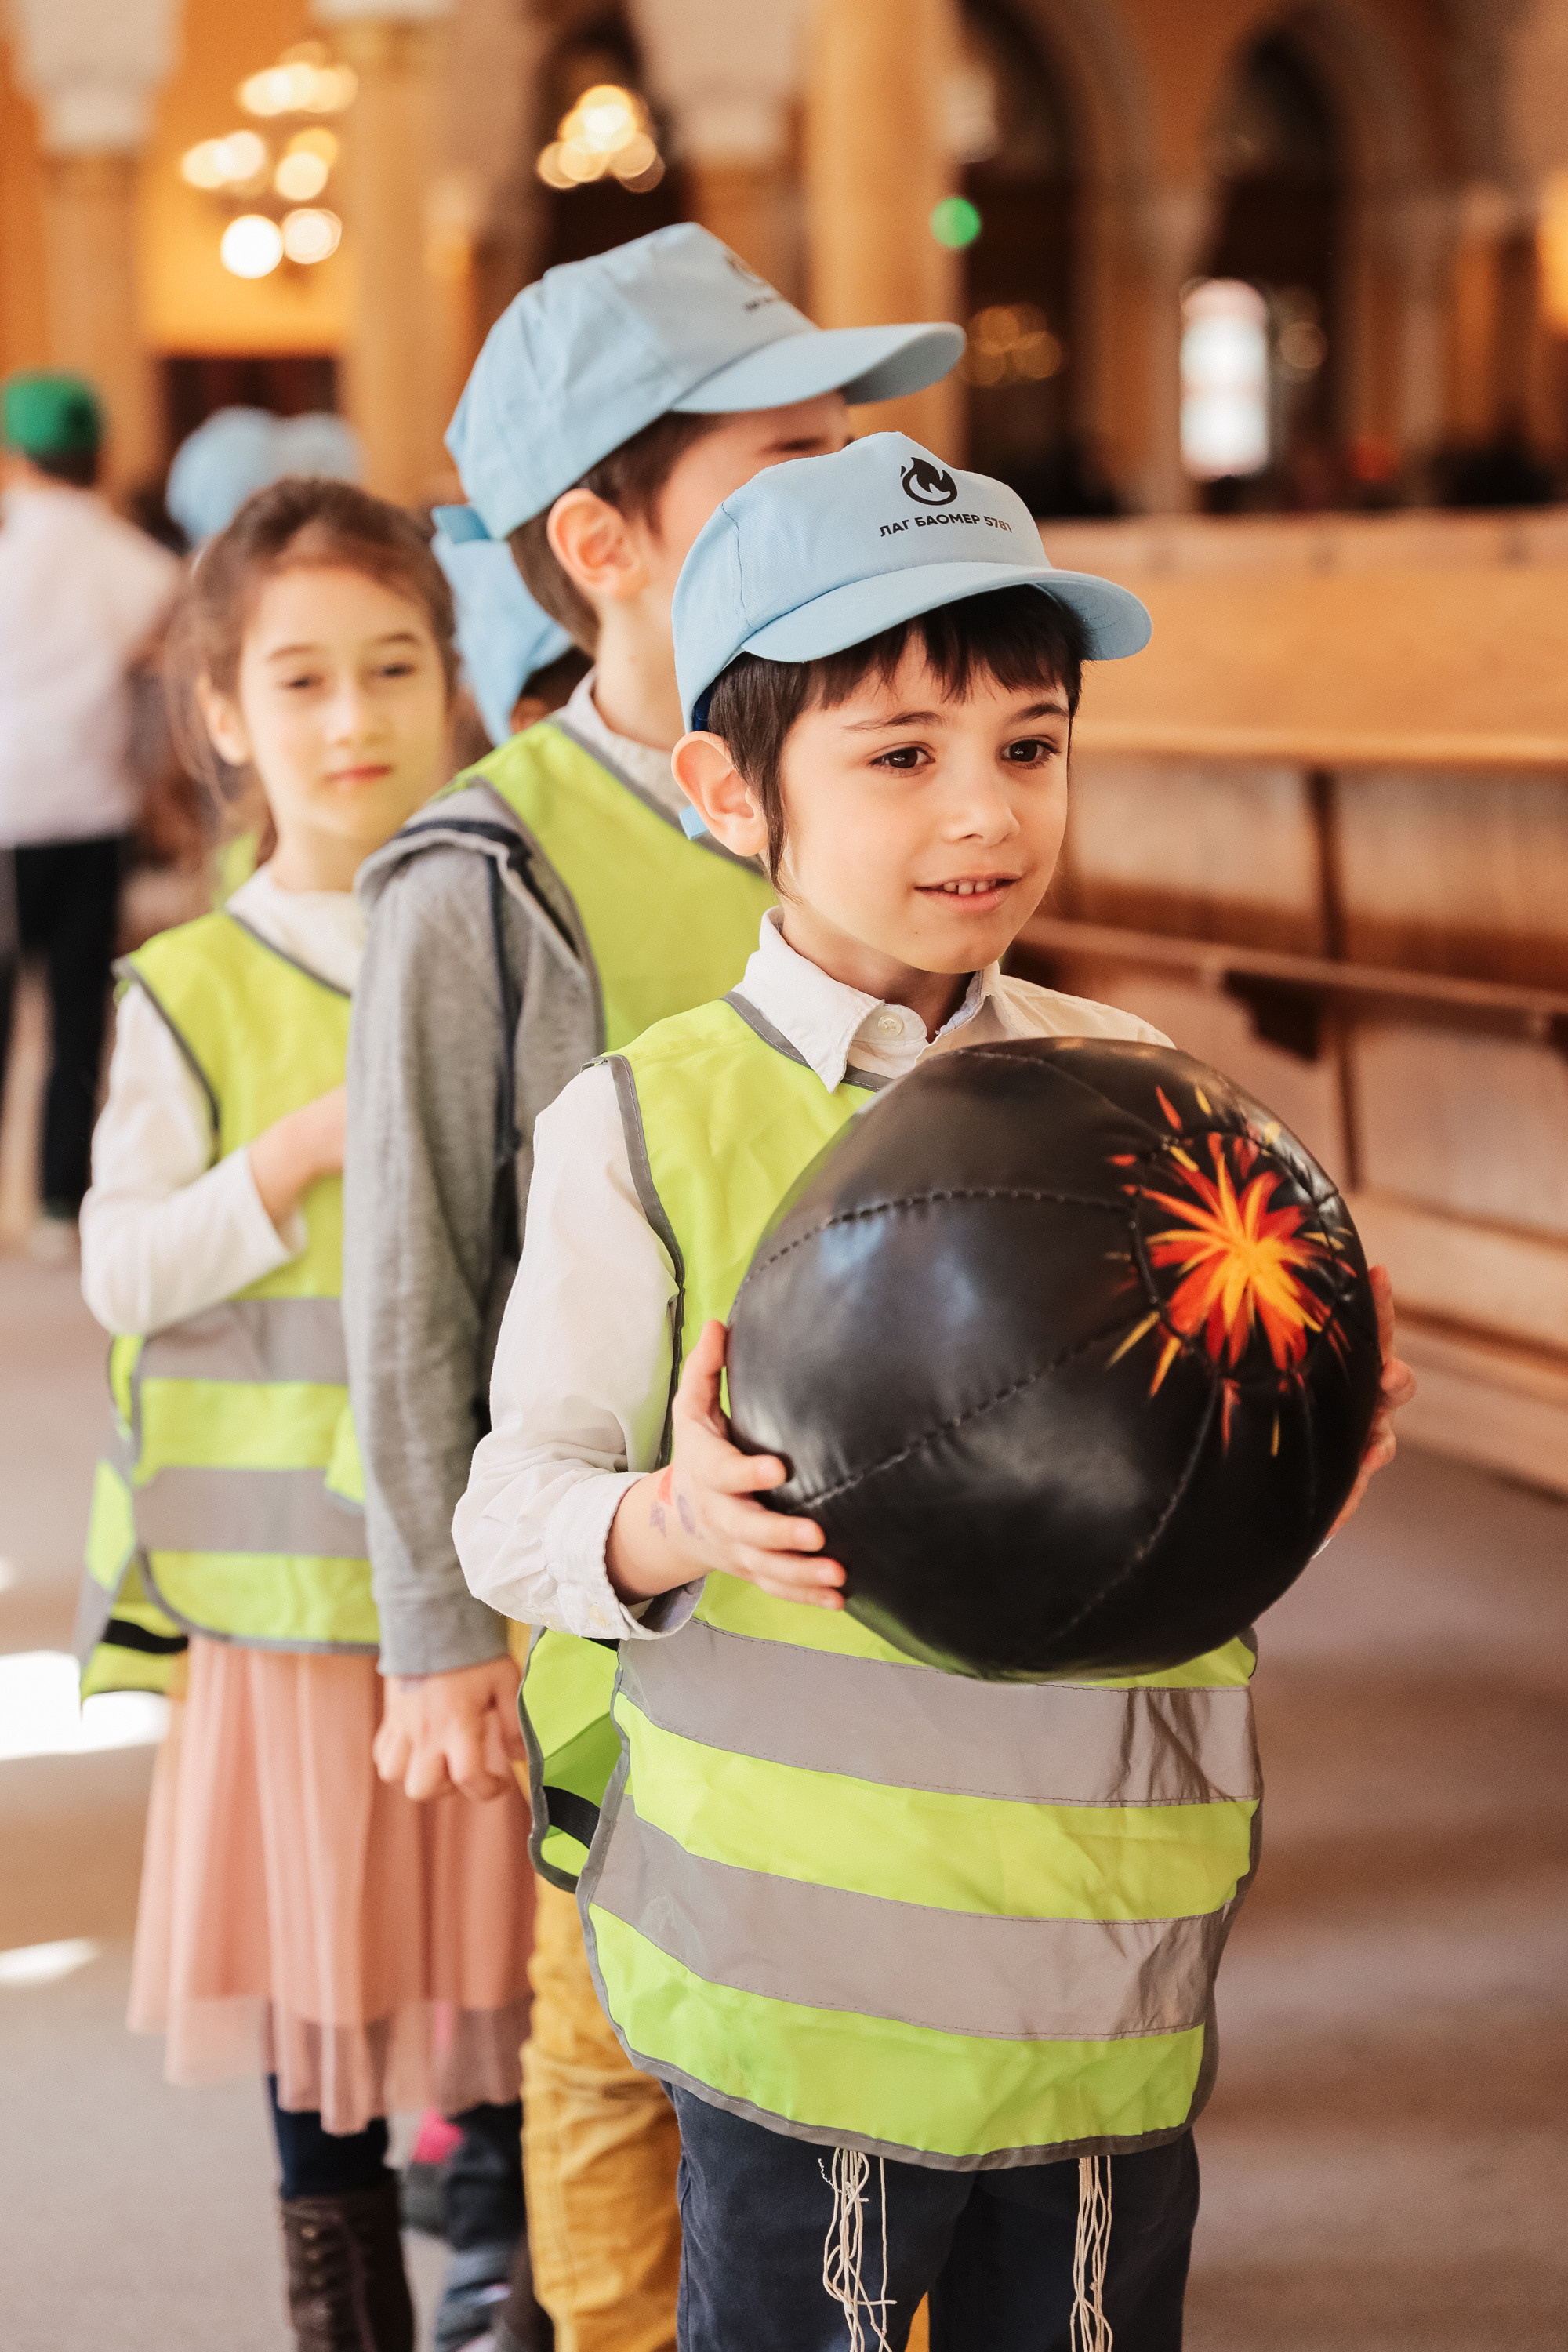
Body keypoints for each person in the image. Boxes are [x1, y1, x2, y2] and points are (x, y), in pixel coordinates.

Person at [452, 434, 1416, 2351]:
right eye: (899, 754)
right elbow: (512, 1505)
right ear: (731, 791)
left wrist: (1307, 1443)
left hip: (1093, 1946)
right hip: (800, 1971)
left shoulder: (1143, 1091)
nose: (983, 809)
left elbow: (1165, 1497)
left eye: (1028, 743)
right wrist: (670, 1518)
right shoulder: (642, 1121)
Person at [343, 222, 962, 2352]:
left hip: (873, 1547)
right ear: (604, 544)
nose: (845, 492)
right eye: (783, 463)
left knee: (862, 2006)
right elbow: (418, 1271)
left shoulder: (878, 776)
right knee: (622, 2032)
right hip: (613, 1572)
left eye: (849, 447)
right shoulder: (484, 867)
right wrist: (439, 1633)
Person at [74, 478, 537, 2352]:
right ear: (223, 712)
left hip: (485, 1561)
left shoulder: (513, 929)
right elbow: (120, 1271)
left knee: (506, 1945)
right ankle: (342, 2299)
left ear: (452, 679)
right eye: (301, 680)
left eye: (393, 667)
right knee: (318, 1974)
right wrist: (289, 1156)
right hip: (282, 1594)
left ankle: (507, 2261)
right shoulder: (188, 987)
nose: (353, 718)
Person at [0, 370, 180, 1258]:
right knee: (78, 1011)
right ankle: (59, 1204)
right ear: (99, 455)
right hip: (94, 810)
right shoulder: (138, 564)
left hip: (6, 815)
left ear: (15, 455)